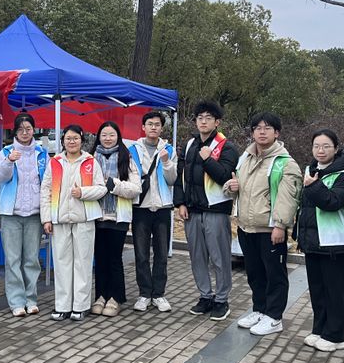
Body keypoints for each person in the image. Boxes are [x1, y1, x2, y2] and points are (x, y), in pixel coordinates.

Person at [224, 112, 302, 336]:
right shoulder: (245, 158)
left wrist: (280, 226)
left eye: (267, 128)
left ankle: (274, 317)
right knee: (255, 273)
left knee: (274, 274)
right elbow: (238, 187)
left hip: (270, 229)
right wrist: (231, 187)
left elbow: (288, 198)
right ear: (252, 132)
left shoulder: (285, 163)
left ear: (277, 133)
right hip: (246, 227)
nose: (262, 132)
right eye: (257, 128)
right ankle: (260, 310)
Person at [173, 101, 239, 321]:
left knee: (219, 257)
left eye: (208, 118)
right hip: (192, 210)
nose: (203, 121)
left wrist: (208, 159)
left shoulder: (226, 147)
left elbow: (225, 177)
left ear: (217, 122)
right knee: (197, 257)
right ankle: (205, 296)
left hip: (215, 211)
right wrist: (180, 203)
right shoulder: (190, 144)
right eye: (199, 118)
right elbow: (181, 176)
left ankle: (221, 299)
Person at [294, 129, 344, 352]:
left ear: (336, 148)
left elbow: (333, 202)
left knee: (335, 290)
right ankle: (319, 329)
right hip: (314, 241)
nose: (320, 150)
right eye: (316, 146)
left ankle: (336, 335)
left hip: (336, 241)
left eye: (326, 146)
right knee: (318, 289)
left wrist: (313, 186)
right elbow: (305, 207)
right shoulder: (311, 170)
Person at [40, 124, 107, 321]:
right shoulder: (55, 162)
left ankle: (80, 306)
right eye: (68, 138)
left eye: (75, 138)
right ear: (63, 141)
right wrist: (46, 218)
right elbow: (46, 191)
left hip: (84, 220)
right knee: (61, 264)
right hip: (59, 220)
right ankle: (62, 306)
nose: (72, 142)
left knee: (83, 262)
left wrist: (83, 193)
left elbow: (102, 188)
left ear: (81, 140)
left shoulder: (90, 162)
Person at [0, 113, 48, 317]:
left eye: (28, 129)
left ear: (34, 130)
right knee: (13, 259)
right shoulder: (6, 151)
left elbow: (47, 182)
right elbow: (1, 178)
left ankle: (31, 299)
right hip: (11, 214)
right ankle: (17, 301)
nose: (25, 133)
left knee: (31, 259)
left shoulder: (42, 153)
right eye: (20, 129)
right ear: (15, 131)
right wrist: (9, 161)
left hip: (34, 214)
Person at [128, 111, 178, 313]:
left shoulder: (169, 150)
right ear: (143, 127)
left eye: (157, 124)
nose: (154, 127)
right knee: (141, 254)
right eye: (150, 124)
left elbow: (172, 180)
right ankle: (144, 294)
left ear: (162, 128)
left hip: (162, 207)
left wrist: (166, 162)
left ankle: (158, 294)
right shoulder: (132, 150)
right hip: (140, 207)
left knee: (161, 254)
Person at [91, 121, 141, 317]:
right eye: (104, 135)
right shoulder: (91, 158)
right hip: (96, 215)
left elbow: (135, 188)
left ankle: (115, 297)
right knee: (100, 259)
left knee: (114, 258)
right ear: (98, 137)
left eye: (111, 135)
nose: (107, 138)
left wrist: (113, 184)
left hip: (118, 217)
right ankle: (100, 295)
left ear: (118, 137)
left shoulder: (126, 158)